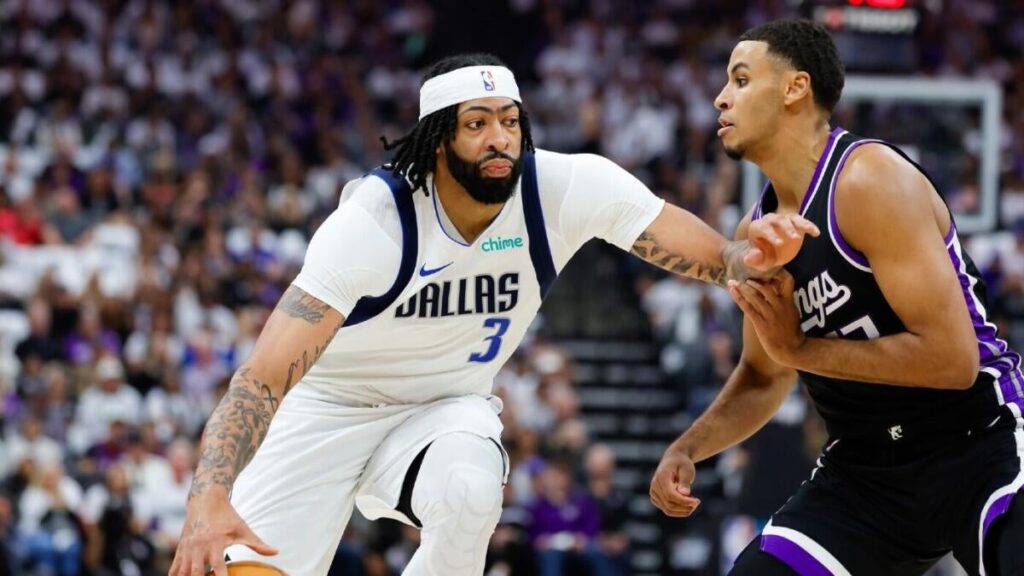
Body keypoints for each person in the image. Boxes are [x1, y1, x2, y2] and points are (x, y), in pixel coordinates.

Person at [171, 52, 818, 576]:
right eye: (477, 123)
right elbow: (260, 379)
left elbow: (708, 252)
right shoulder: (374, 222)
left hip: (442, 410)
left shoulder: (560, 188)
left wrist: (748, 256)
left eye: (509, 120)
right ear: (438, 137)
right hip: (327, 408)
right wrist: (207, 497)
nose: (499, 138)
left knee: (471, 489)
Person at [649, 19, 1024, 576]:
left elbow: (952, 361)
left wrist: (801, 350)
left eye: (741, 80)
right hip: (866, 476)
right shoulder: (758, 231)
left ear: (795, 88)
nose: (720, 98)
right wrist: (688, 447)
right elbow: (763, 376)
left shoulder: (869, 181)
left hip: (979, 443)